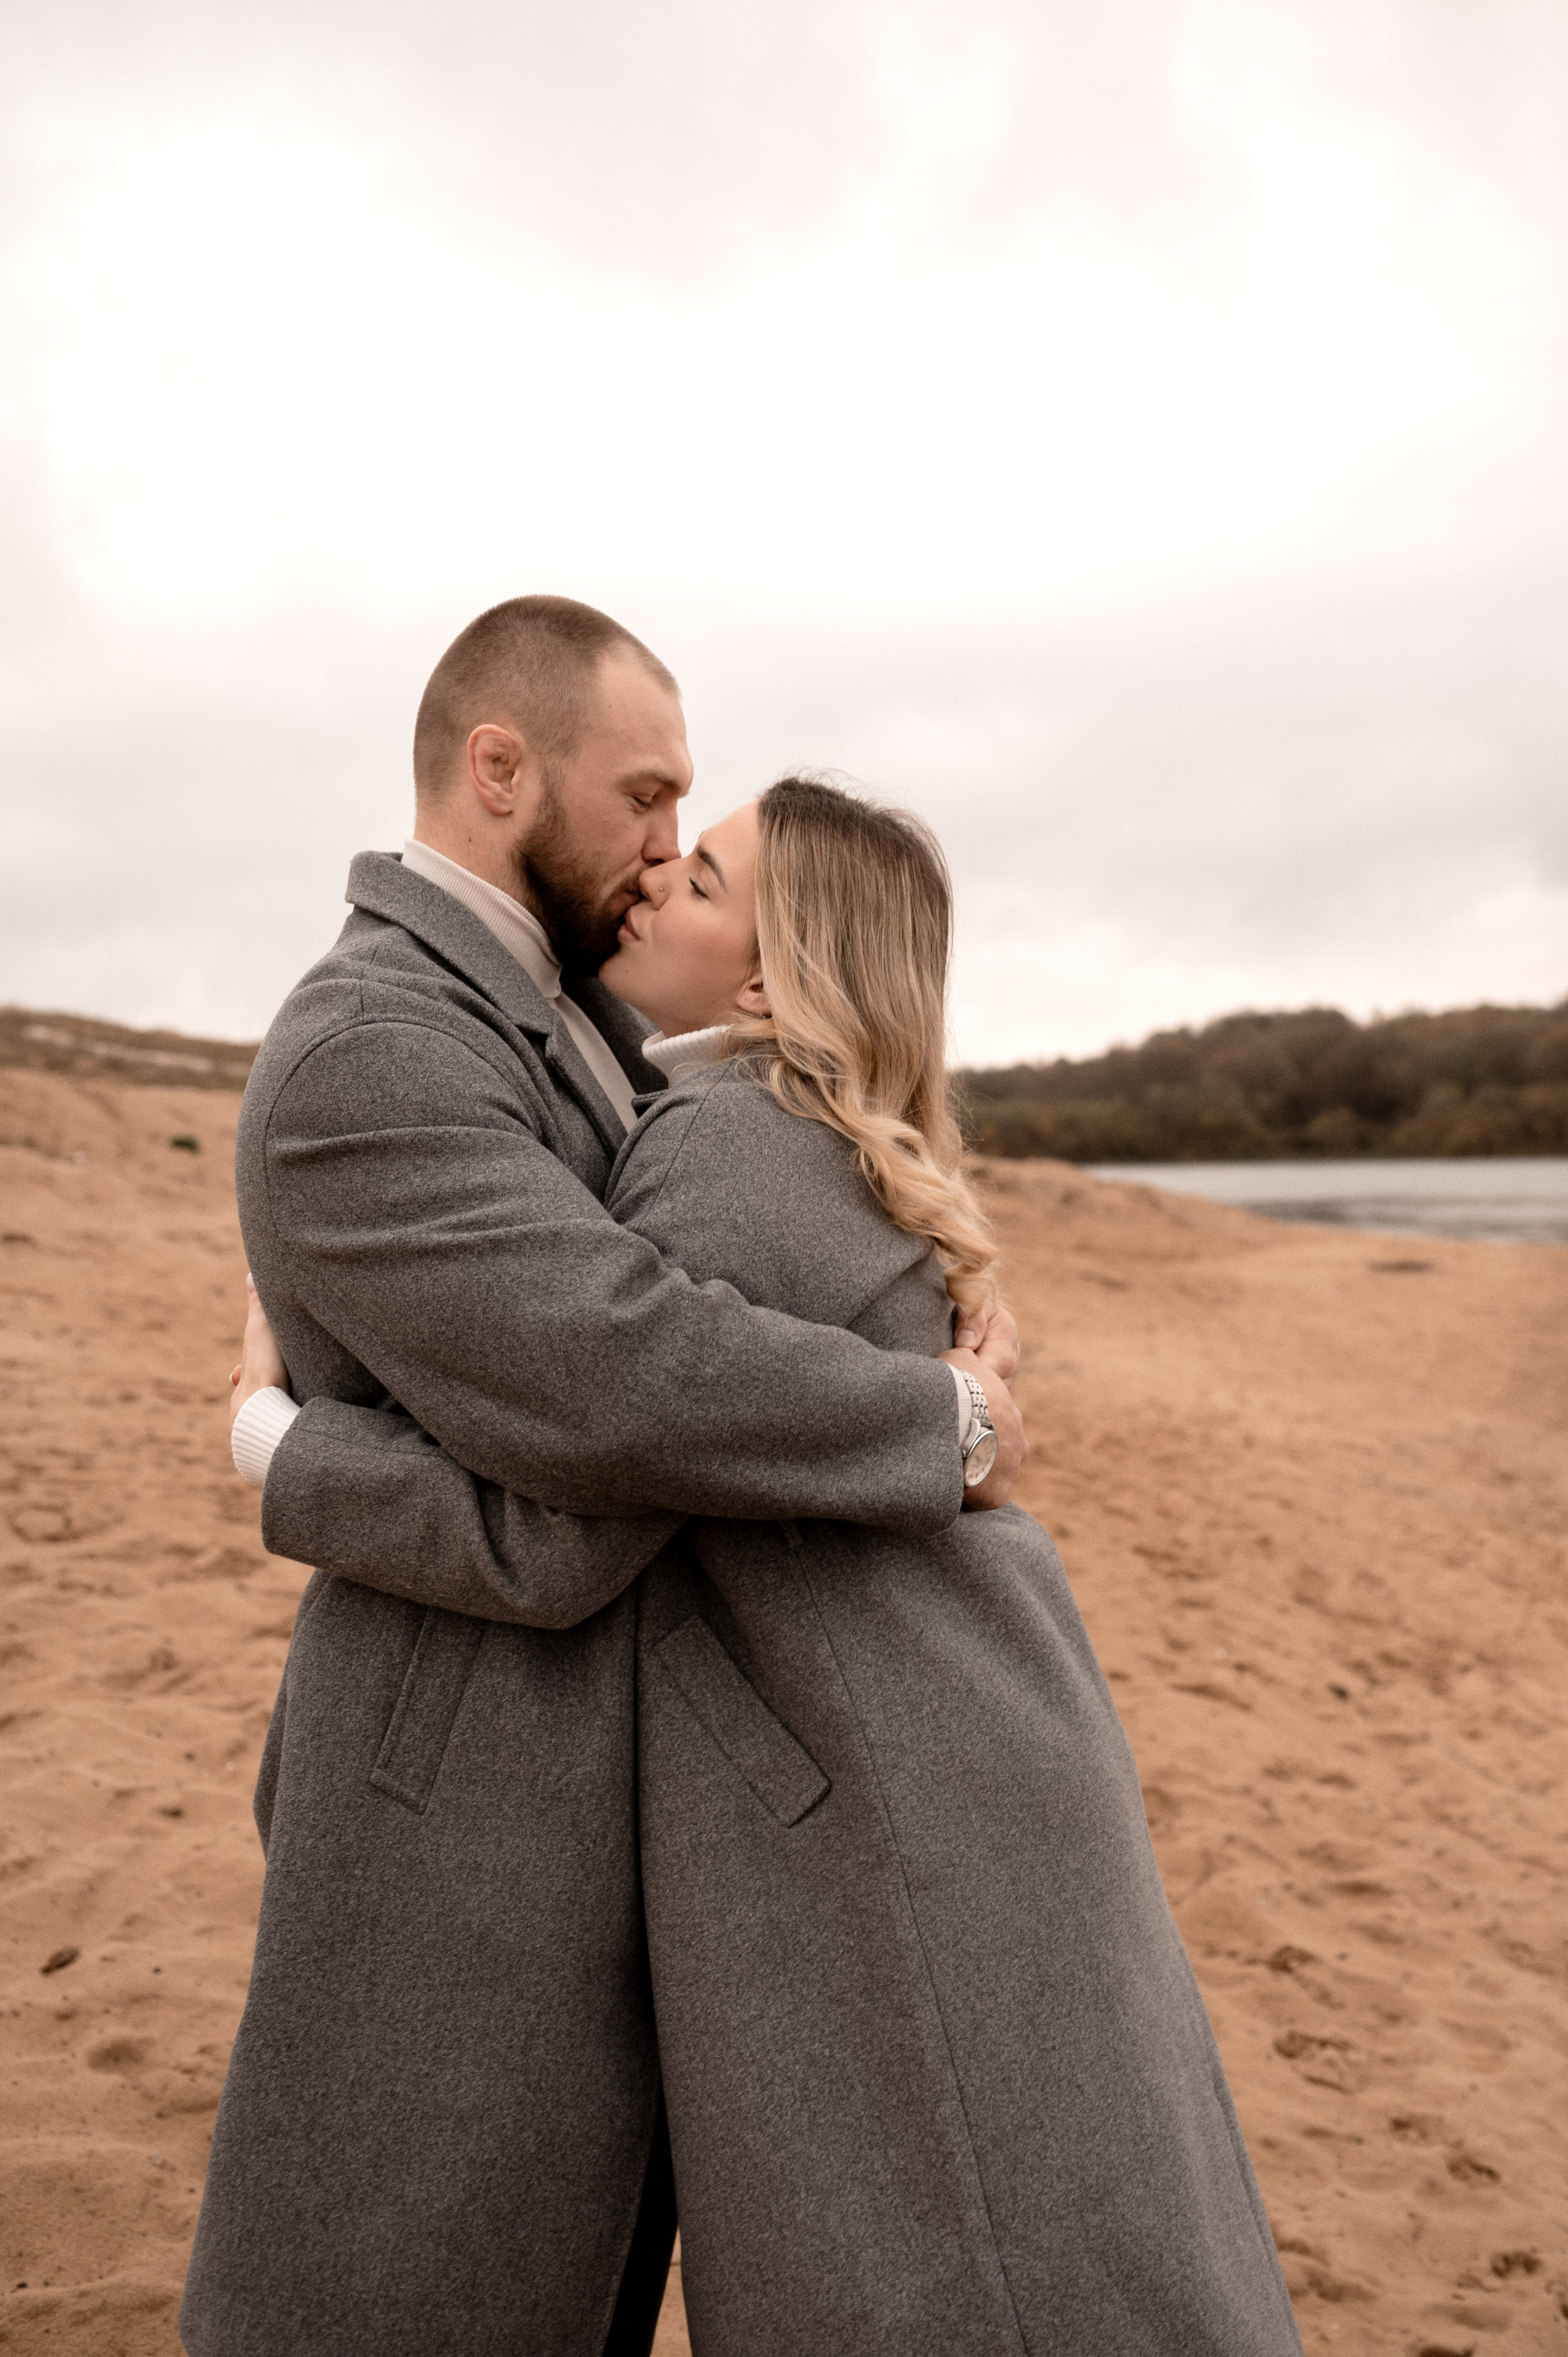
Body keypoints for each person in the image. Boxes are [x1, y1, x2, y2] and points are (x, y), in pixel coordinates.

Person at [219, 775, 1304, 2354]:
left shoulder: (724, 1153)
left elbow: (564, 1524)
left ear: (765, 981)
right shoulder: (783, 1131)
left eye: (703, 874)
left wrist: (279, 1444)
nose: (654, 877)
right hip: (946, 1740)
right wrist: (953, 1421)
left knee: (970, 2270)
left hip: (895, 1776)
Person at [180, 598, 1026, 2357]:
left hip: (572, 1808)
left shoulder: (549, 1014)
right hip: (454, 1825)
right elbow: (622, 1392)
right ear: (502, 768)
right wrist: (928, 1421)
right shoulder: (374, 1052)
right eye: (646, 796)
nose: (661, 847)